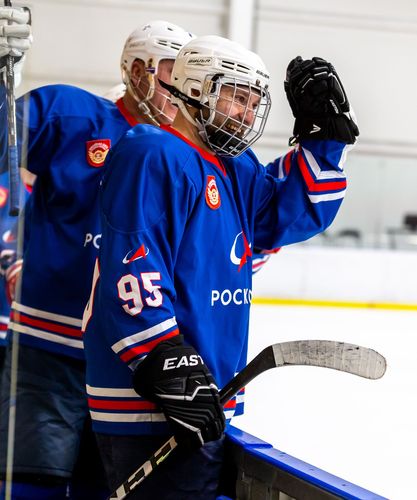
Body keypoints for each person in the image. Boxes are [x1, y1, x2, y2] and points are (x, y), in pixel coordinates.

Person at [82, 35, 359, 499]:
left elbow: (288, 215)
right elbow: (132, 263)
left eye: (253, 102)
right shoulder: (153, 152)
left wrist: (323, 141)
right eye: (235, 96)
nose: (247, 114)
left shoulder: (236, 167)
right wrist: (167, 363)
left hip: (201, 390)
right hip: (148, 397)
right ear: (194, 89)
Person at [0, 7, 194, 498]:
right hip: (49, 347)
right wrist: (4, 74)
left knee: (106, 489)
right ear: (136, 70)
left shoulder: (187, 155)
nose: (179, 87)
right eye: (170, 71)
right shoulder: (73, 117)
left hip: (129, 361)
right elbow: (5, 142)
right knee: (31, 482)